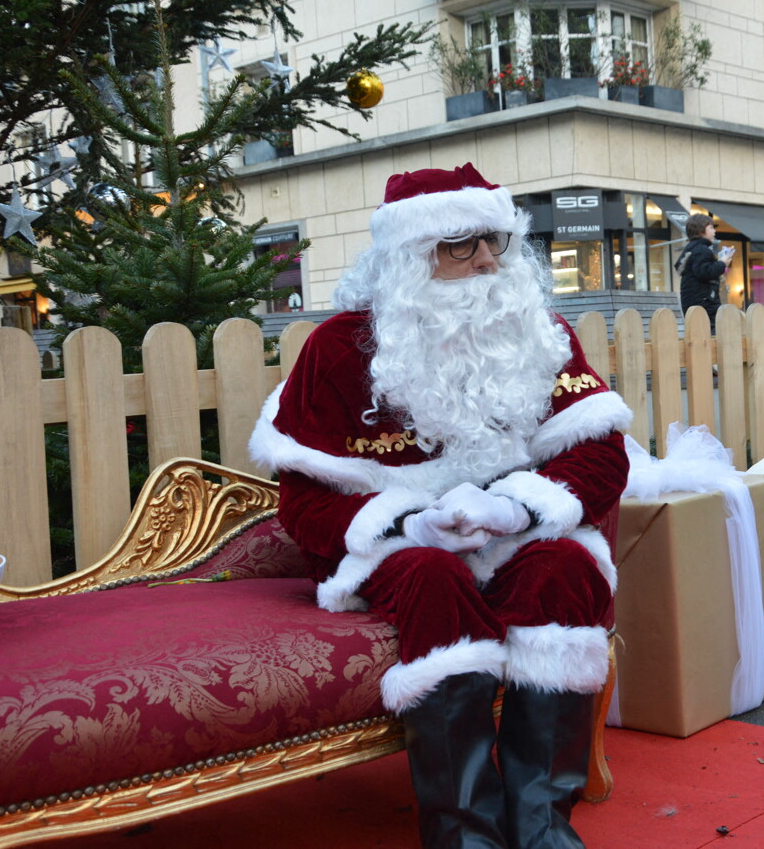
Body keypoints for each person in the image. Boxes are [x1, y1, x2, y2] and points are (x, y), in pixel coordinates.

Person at [249, 163, 632, 848]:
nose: (487, 259)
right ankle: (466, 835)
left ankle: (542, 824)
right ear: (408, 255)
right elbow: (302, 506)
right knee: (433, 575)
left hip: (509, 532)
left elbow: (602, 454)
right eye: (461, 243)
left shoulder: (535, 329)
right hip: (403, 550)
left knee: (567, 567)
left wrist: (518, 508)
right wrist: (406, 522)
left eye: (494, 240)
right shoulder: (339, 349)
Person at [675, 213, 732, 328]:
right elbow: (704, 272)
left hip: (693, 303)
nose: (714, 231)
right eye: (711, 228)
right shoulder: (702, 250)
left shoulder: (690, 249)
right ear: (701, 231)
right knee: (711, 333)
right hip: (704, 303)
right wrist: (722, 263)